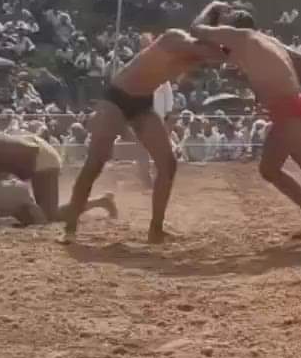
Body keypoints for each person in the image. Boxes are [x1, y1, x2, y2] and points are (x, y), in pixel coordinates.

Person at [189, 2, 301, 252]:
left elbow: (196, 29)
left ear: (232, 27)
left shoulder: (242, 37)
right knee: (269, 169)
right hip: (290, 108)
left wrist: (212, 7)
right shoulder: (265, 41)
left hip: (290, 110)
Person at [60, 28, 225, 244]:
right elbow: (208, 50)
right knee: (95, 162)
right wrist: (226, 45)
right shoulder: (175, 38)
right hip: (118, 97)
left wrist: (228, 49)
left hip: (143, 103)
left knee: (168, 164)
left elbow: (216, 57)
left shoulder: (195, 57)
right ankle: (70, 227)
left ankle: (156, 230)